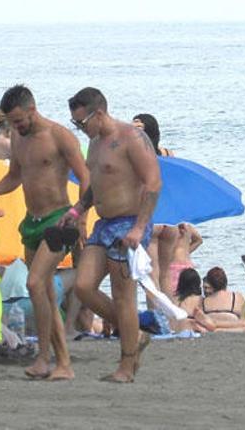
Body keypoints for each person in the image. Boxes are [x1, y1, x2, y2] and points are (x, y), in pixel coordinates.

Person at [0, 85, 90, 381]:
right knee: (46, 294)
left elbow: (87, 179)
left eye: (19, 120)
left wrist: (80, 216)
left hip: (59, 220)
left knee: (35, 283)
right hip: (32, 222)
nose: (15, 127)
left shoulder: (59, 136)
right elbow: (14, 176)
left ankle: (60, 361)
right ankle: (45, 360)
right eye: (11, 122)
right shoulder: (17, 138)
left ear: (32, 110)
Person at [66, 87, 162, 383]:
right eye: (75, 125)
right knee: (83, 286)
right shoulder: (94, 143)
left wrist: (138, 228)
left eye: (82, 123)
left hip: (130, 222)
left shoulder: (130, 138)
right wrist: (78, 209)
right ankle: (137, 334)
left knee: (124, 298)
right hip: (104, 223)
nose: (80, 130)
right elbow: (98, 182)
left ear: (100, 113)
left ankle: (127, 365)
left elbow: (153, 182)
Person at [156, 222, 203, 299]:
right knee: (191, 293)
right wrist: (186, 252)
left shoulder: (168, 227)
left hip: (173, 265)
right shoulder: (188, 226)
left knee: (173, 295)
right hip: (188, 265)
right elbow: (199, 240)